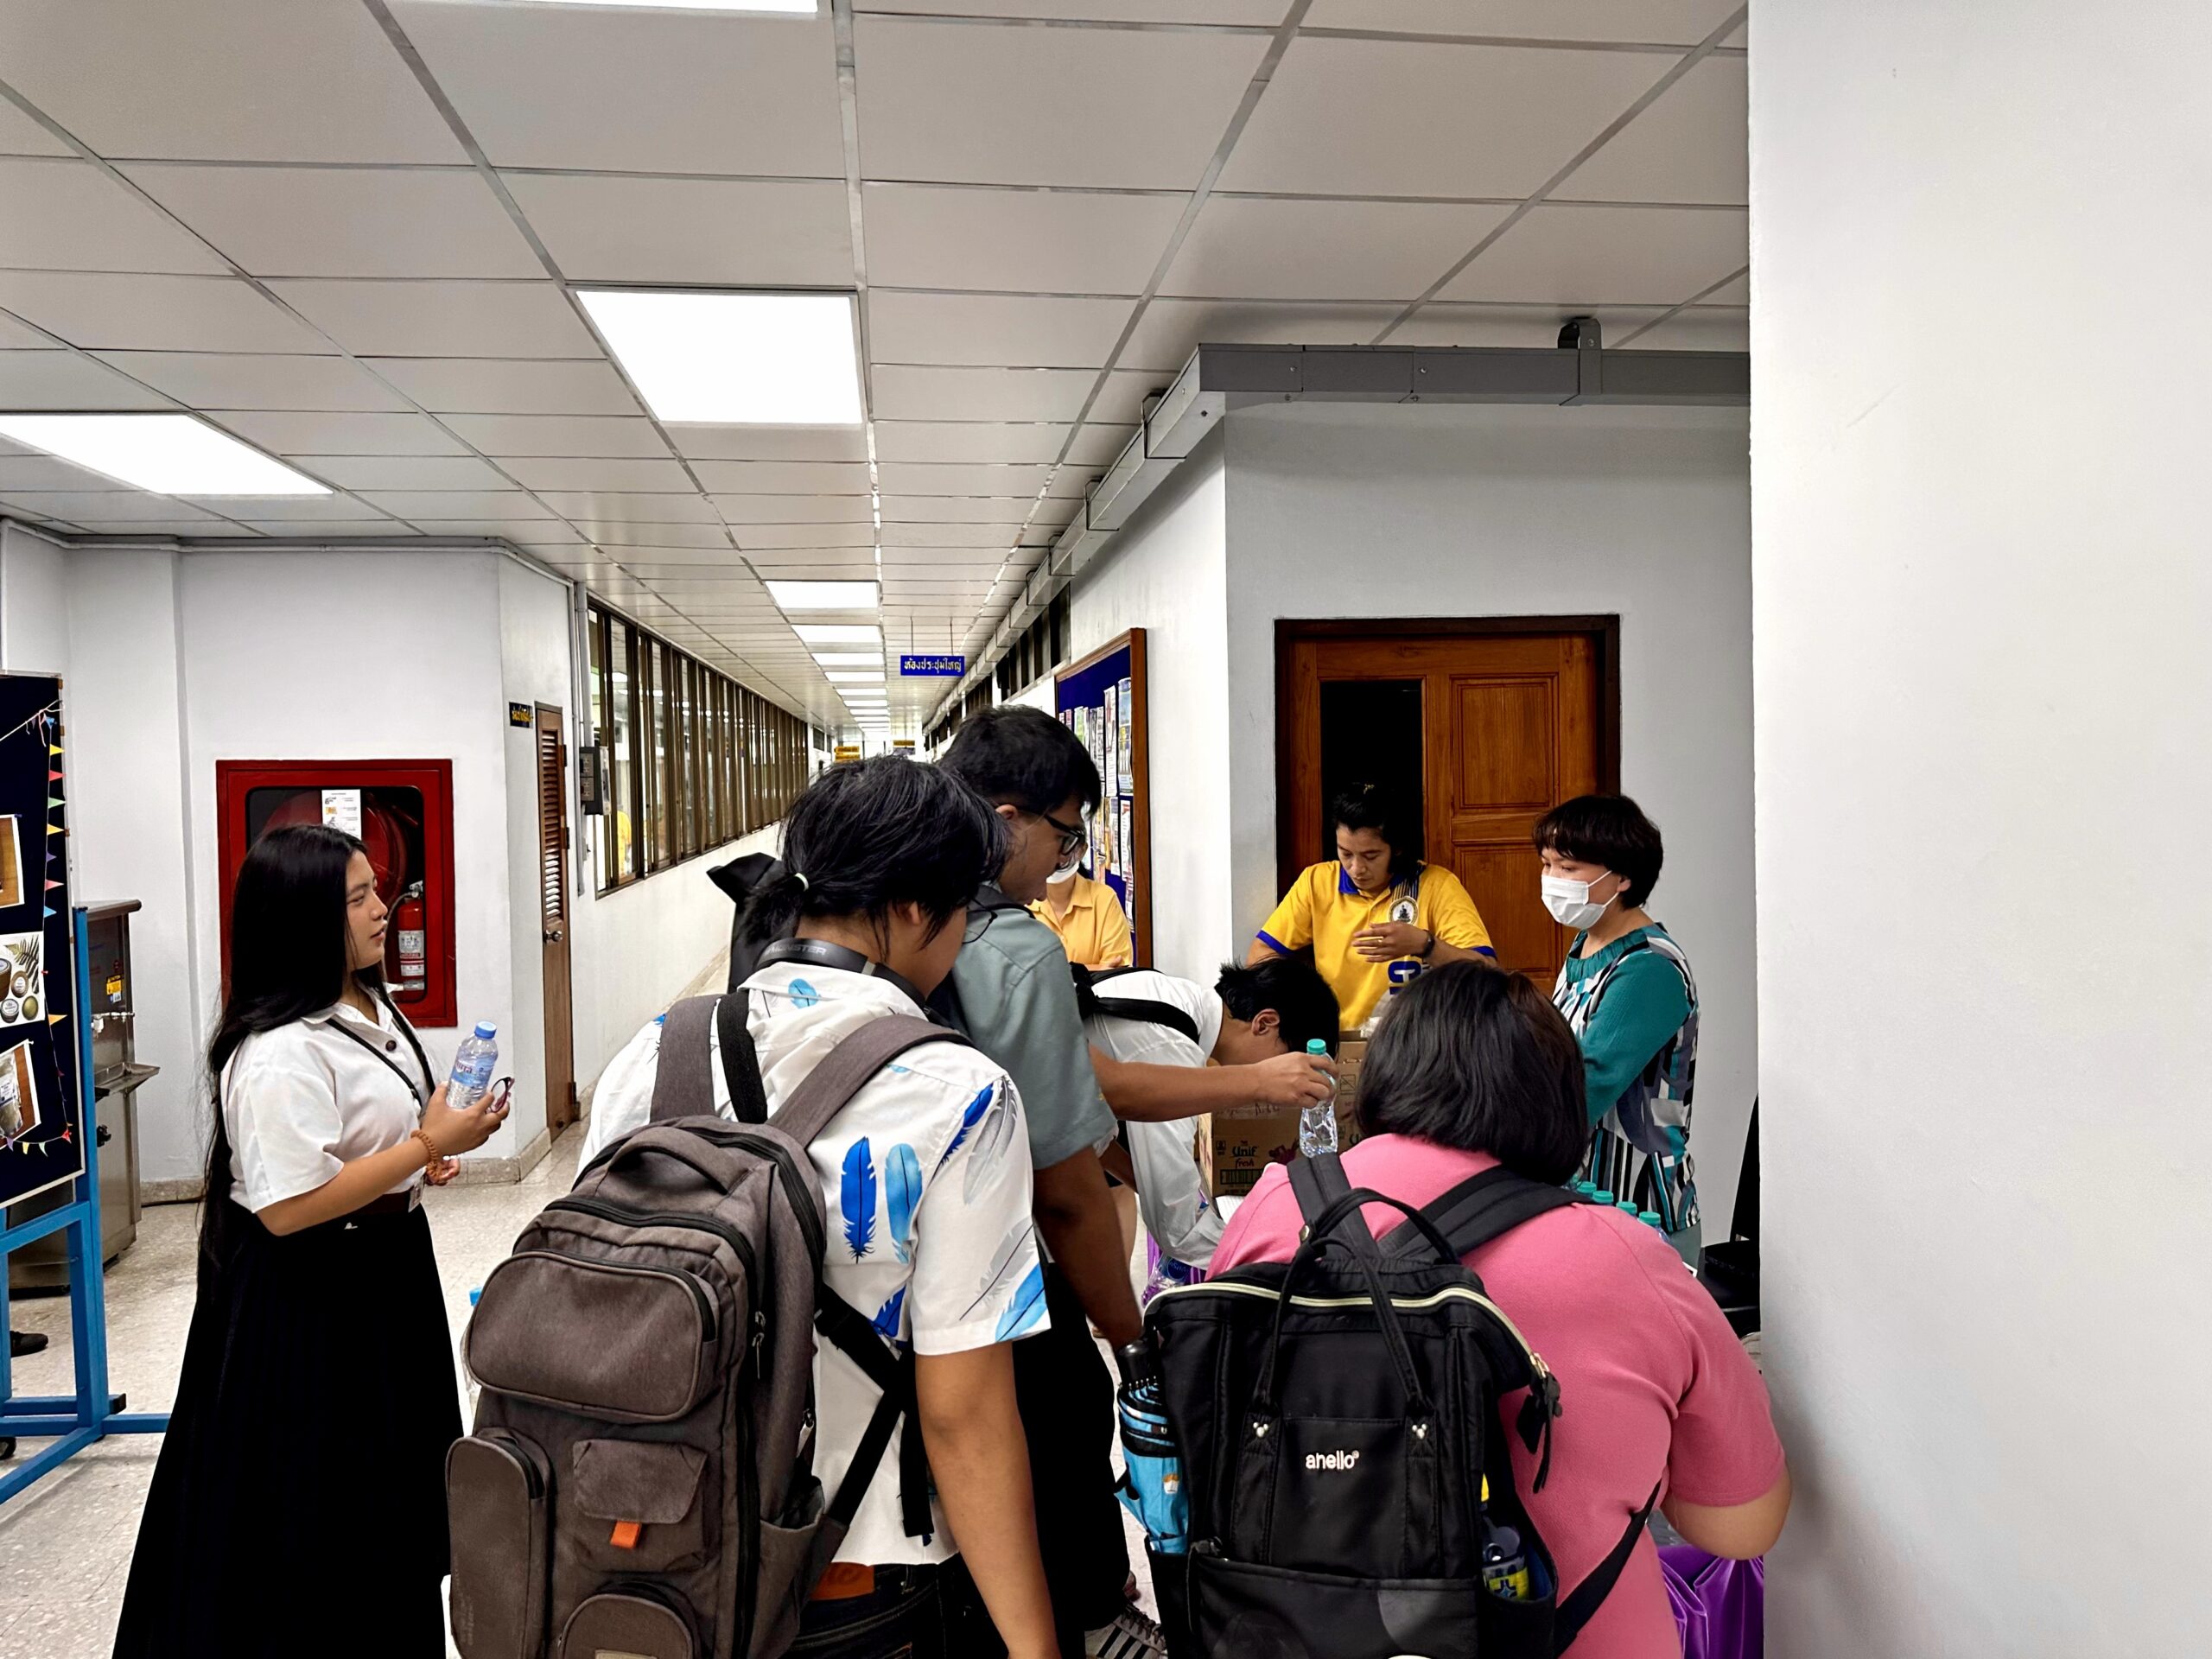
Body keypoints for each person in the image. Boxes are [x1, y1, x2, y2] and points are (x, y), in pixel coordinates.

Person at [579, 756, 1058, 1659]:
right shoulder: (958, 1093)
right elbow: (963, 1416)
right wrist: (1036, 1646)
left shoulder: (654, 1052)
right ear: (913, 908)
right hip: (847, 1577)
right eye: (962, 908)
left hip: (647, 1558)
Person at [1211, 963, 1789, 1659]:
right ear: (1557, 1098)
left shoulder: (1276, 1207)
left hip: (1293, 1632)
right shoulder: (1630, 1258)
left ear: (1387, 1074)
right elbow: (1741, 1526)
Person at [938, 706, 1332, 1659]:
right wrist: (1136, 1336)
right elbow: (1104, 1150)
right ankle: (1089, 1614)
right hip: (989, 1233)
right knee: (1065, 1403)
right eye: (1067, 835)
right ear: (1006, 820)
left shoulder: (945, 930)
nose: (1066, 860)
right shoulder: (1013, 947)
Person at [113, 825, 510, 1659]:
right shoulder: (276, 1051)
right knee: (320, 1509)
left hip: (386, 1272)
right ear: (302, 921)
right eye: (358, 898)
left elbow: (362, 1142)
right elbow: (289, 1210)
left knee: (393, 1495)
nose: (381, 909)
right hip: (312, 1299)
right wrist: (425, 1145)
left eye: (376, 889)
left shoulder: (366, 1003)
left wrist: (420, 1156)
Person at [1081, 957, 1340, 1274]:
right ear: (1264, 1023)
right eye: (1287, 1068)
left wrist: (1146, 1183)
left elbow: (1092, 1130)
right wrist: (1282, 1256)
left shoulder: (1169, 997)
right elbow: (1180, 1230)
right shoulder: (1171, 1043)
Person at [1535, 793, 1703, 1262]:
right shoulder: (1586, 946)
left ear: (1623, 876)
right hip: (1584, 1198)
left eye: (1569, 867)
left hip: (1639, 1210)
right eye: (1547, 864)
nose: (1553, 879)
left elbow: (1587, 1083)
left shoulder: (1648, 967)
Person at [1249, 781, 1495, 1030]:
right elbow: (1259, 955)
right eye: (1345, 853)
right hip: (1337, 1037)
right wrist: (1303, 998)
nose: (1356, 869)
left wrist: (1425, 945)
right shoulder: (1317, 882)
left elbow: (1487, 973)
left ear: (1397, 848)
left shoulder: (1436, 885)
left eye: (1370, 856)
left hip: (1414, 1040)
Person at [1031, 862, 1134, 970]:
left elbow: (1115, 972)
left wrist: (1048, 972)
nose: (1056, 858)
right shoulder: (1022, 902)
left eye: (1063, 852)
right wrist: (1094, 969)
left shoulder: (1104, 899)